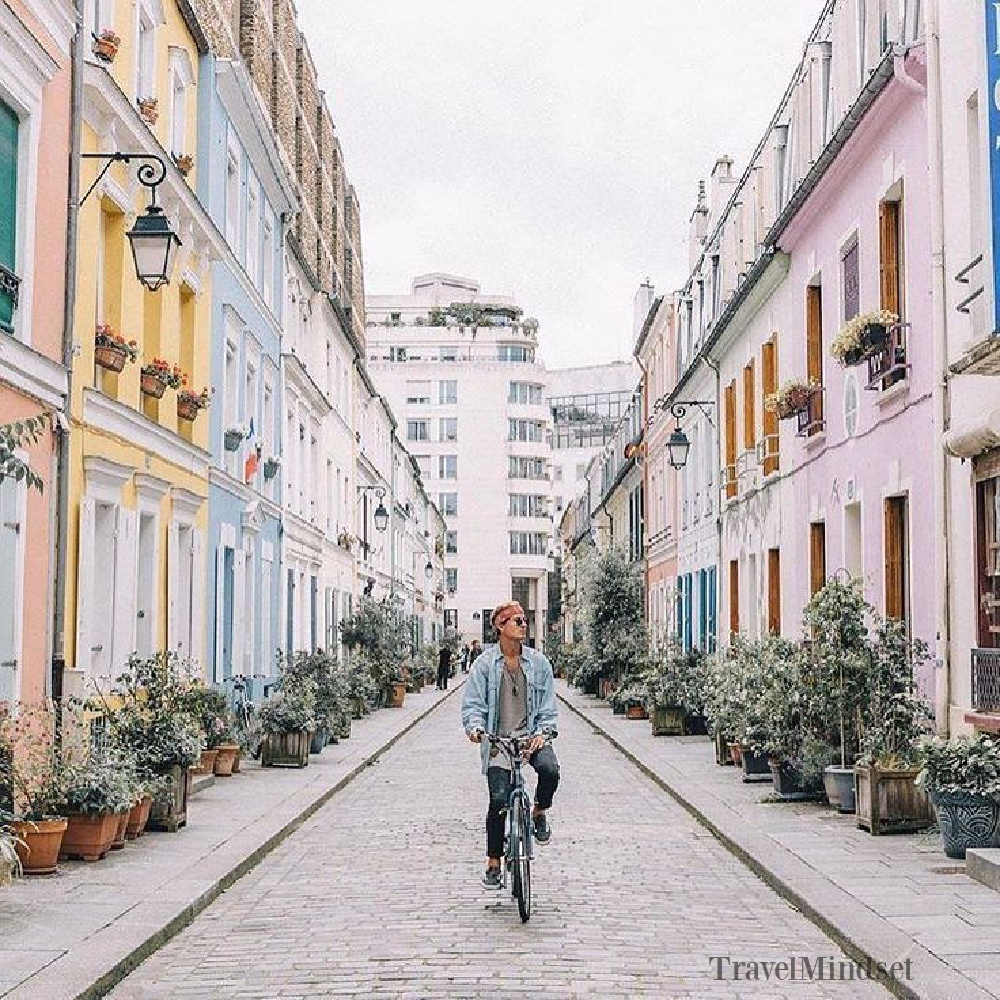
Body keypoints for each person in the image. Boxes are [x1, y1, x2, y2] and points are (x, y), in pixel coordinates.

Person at [461, 601, 559, 889]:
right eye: (517, 621)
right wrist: (475, 729)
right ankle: (493, 860)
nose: (523, 625)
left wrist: (543, 732)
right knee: (498, 800)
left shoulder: (539, 664)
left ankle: (539, 812)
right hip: (499, 740)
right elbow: (473, 704)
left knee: (550, 771)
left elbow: (548, 707)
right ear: (501, 627)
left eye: (524, 620)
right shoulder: (484, 666)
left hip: (531, 736)